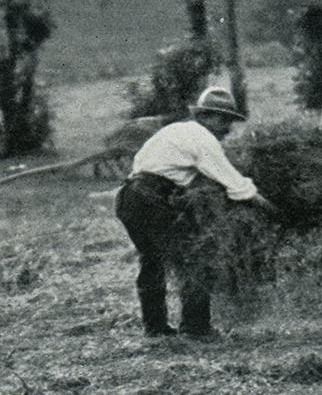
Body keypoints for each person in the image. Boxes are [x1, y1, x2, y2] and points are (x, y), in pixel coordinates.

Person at [115, 87, 275, 339]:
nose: (227, 129)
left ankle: (155, 328)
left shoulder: (175, 131)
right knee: (196, 256)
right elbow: (233, 182)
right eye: (225, 121)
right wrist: (265, 205)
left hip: (129, 198)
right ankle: (196, 327)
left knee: (152, 260)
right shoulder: (202, 138)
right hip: (150, 198)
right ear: (208, 117)